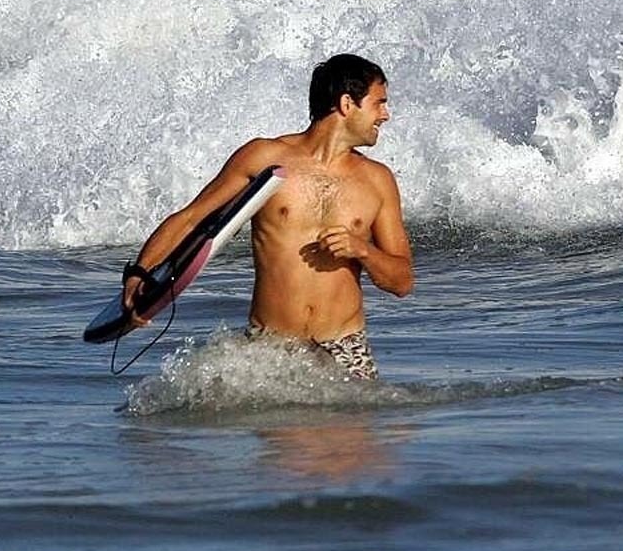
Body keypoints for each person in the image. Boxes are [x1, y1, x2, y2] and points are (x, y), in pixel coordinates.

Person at [122, 53, 413, 379]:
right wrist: (139, 275)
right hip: (271, 348)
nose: (385, 115)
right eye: (379, 103)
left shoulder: (378, 180)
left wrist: (364, 251)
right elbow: (191, 218)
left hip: (345, 347)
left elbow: (402, 281)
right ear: (347, 103)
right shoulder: (265, 158)